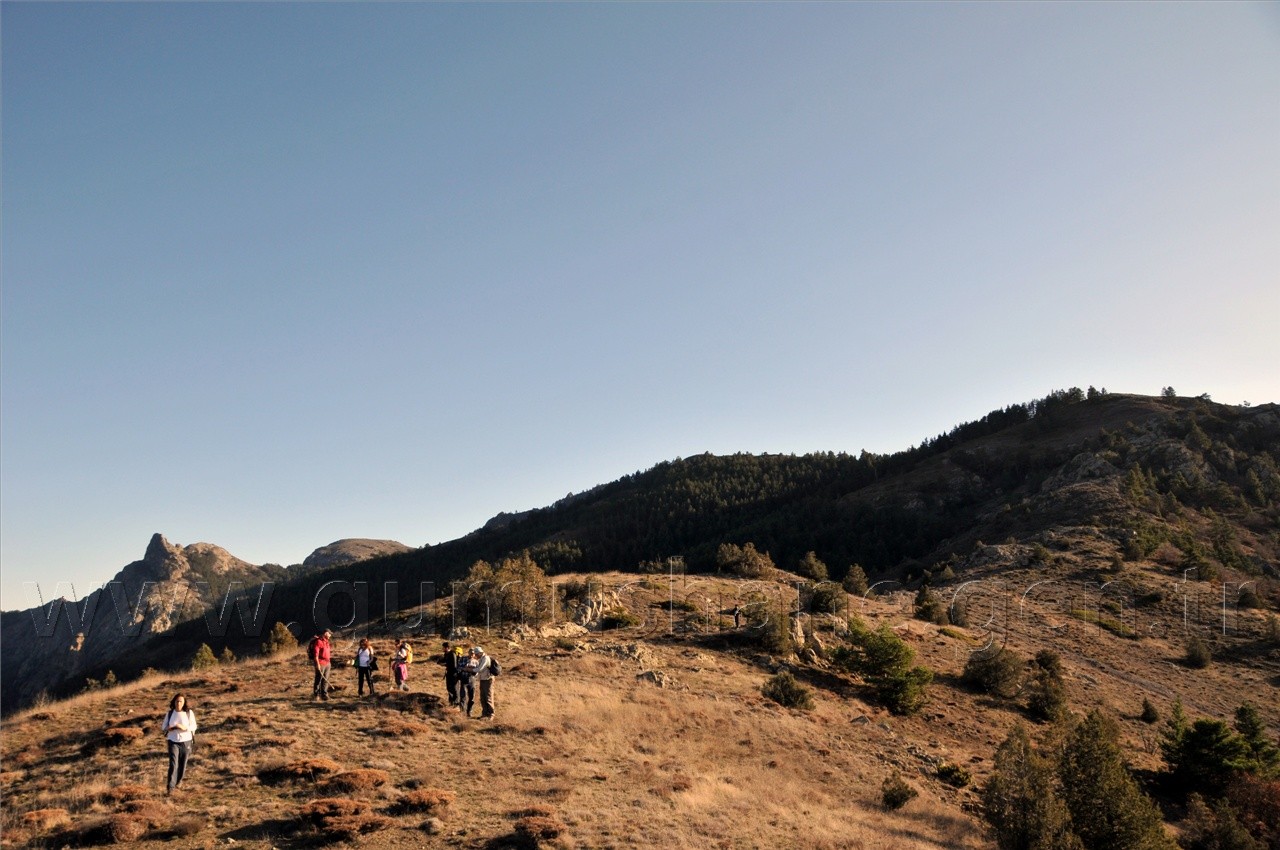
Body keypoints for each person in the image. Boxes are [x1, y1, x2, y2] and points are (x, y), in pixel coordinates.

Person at [162, 693, 198, 795]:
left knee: (183, 764)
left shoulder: (189, 713)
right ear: (174, 702)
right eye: (177, 701)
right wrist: (168, 728)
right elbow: (163, 727)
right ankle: (171, 787)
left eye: (180, 701)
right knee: (173, 764)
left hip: (186, 741)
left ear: (184, 703)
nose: (178, 703)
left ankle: (178, 783)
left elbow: (194, 726)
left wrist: (184, 728)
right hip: (172, 741)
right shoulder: (169, 713)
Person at [471, 646, 495, 720]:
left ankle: (491, 714)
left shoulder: (485, 658)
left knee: (488, 697)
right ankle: (484, 714)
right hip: (483, 679)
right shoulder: (481, 658)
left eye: (476, 654)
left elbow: (480, 669)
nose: (475, 656)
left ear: (479, 653)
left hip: (488, 680)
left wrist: (470, 669)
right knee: (482, 698)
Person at [309, 629, 333, 701]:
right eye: (329, 634)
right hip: (321, 663)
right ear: (326, 633)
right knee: (319, 679)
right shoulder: (318, 642)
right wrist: (317, 664)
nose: (330, 635)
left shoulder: (327, 641)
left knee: (326, 679)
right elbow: (316, 655)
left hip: (327, 663)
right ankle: (316, 695)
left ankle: (324, 695)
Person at [456, 647, 476, 715]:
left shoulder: (476, 661)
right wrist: (465, 668)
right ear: (468, 653)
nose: (472, 655)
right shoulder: (463, 658)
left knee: (472, 697)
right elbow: (458, 667)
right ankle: (462, 711)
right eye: (471, 653)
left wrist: (472, 670)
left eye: (473, 654)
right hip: (464, 678)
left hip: (472, 679)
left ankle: (469, 712)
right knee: (463, 696)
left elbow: (478, 671)